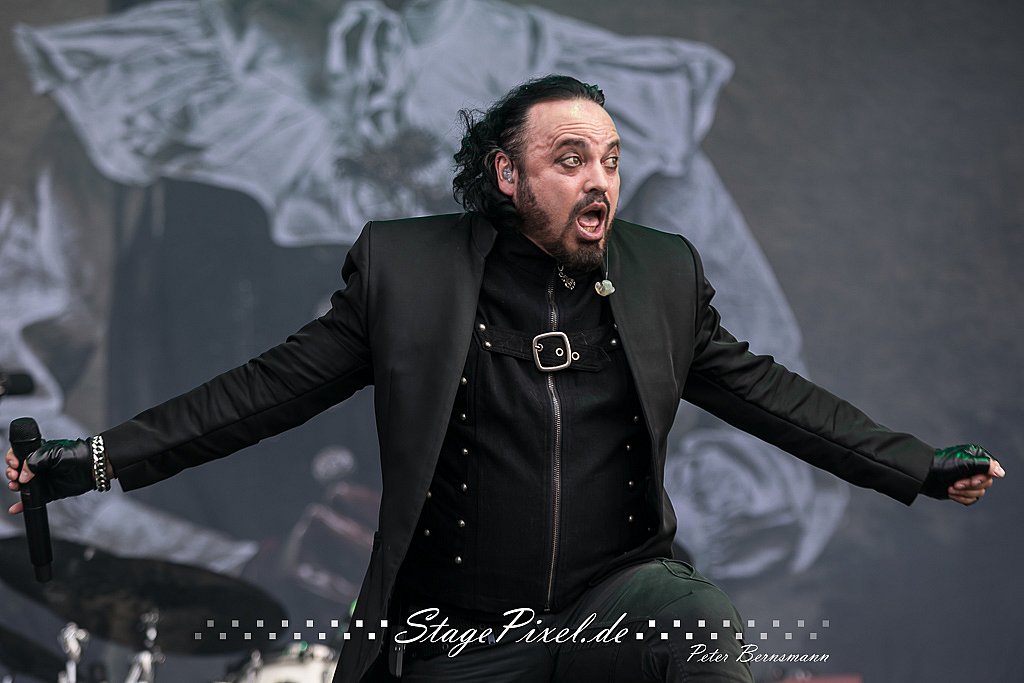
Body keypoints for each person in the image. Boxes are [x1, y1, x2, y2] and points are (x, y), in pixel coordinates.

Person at [5, 75, 1005, 683]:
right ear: (506, 175)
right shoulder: (406, 271)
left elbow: (773, 395)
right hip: (455, 632)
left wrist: (917, 464)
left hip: (613, 601)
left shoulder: (660, 273)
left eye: (610, 159)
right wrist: (89, 458)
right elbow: (259, 392)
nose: (600, 180)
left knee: (695, 616)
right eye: (571, 159)